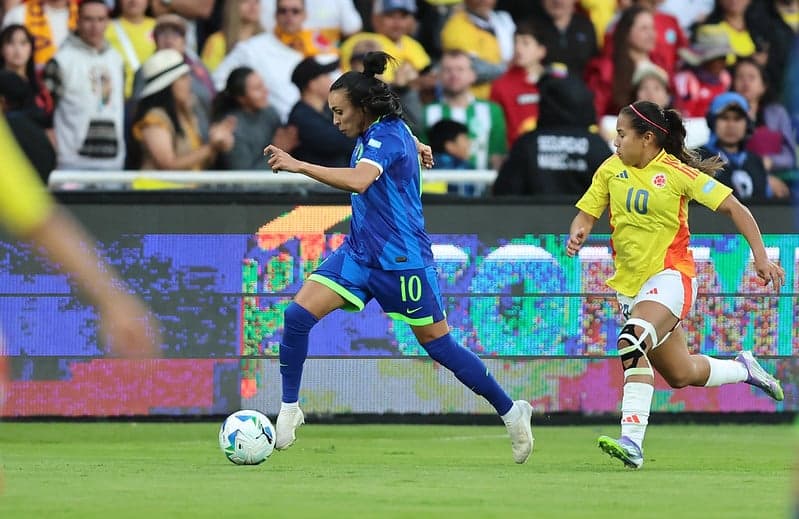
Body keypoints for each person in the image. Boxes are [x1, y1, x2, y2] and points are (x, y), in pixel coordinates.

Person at [264, 51, 534, 464]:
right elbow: (395, 140)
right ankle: (289, 409)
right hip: (359, 254)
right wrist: (418, 143)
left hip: (403, 262)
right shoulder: (383, 131)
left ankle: (512, 412)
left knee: (440, 347)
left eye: (339, 112)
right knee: (297, 317)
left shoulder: (385, 136)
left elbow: (359, 180)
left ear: (362, 108)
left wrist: (298, 164)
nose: (334, 120)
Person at [566, 100, 785, 469]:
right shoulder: (610, 169)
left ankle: (631, 442)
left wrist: (761, 258)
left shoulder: (677, 173)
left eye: (622, 135)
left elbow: (736, 208)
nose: (616, 142)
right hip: (631, 287)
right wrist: (580, 231)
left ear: (647, 138)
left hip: (672, 277)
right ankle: (744, 368)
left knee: (630, 341)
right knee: (682, 374)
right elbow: (586, 213)